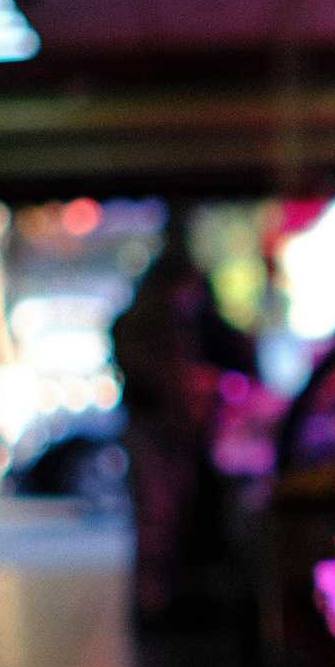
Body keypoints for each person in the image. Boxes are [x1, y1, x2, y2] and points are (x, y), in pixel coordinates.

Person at [112, 249, 251, 625]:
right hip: (155, 429)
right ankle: (155, 604)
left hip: (169, 428)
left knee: (172, 515)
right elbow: (154, 379)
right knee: (158, 516)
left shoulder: (173, 323)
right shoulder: (148, 325)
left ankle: (167, 599)